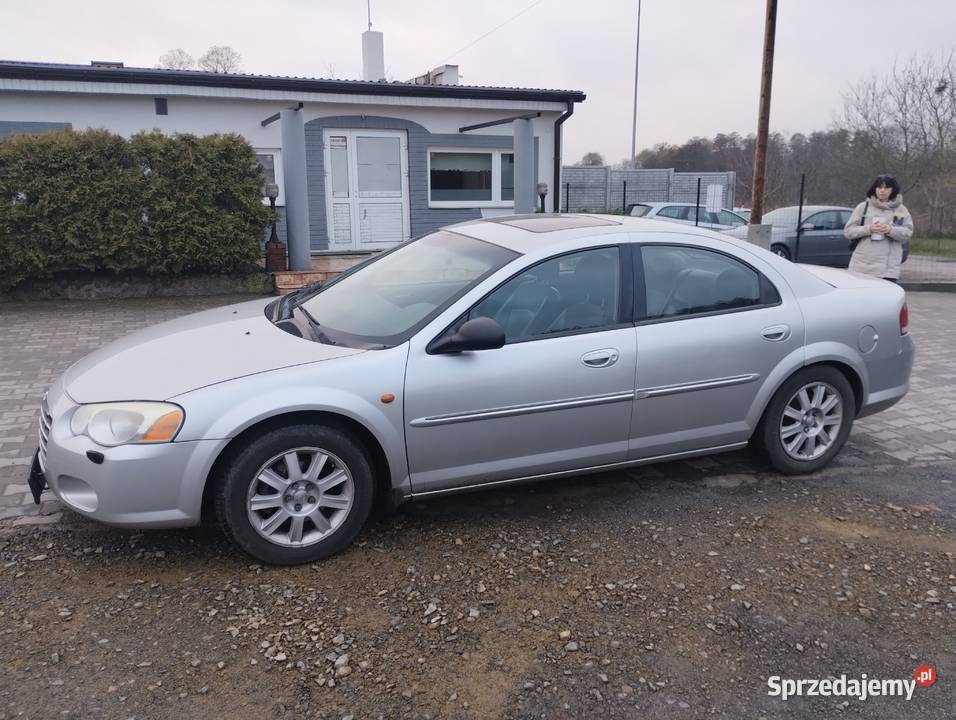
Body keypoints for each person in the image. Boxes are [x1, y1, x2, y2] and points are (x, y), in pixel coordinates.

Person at [843, 175, 913, 282]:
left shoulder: (901, 209)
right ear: (874, 189)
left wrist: (890, 230)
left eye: (886, 188)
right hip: (862, 268)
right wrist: (869, 229)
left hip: (888, 270)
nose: (882, 191)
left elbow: (907, 233)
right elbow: (848, 232)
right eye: (879, 187)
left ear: (893, 190)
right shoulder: (863, 207)